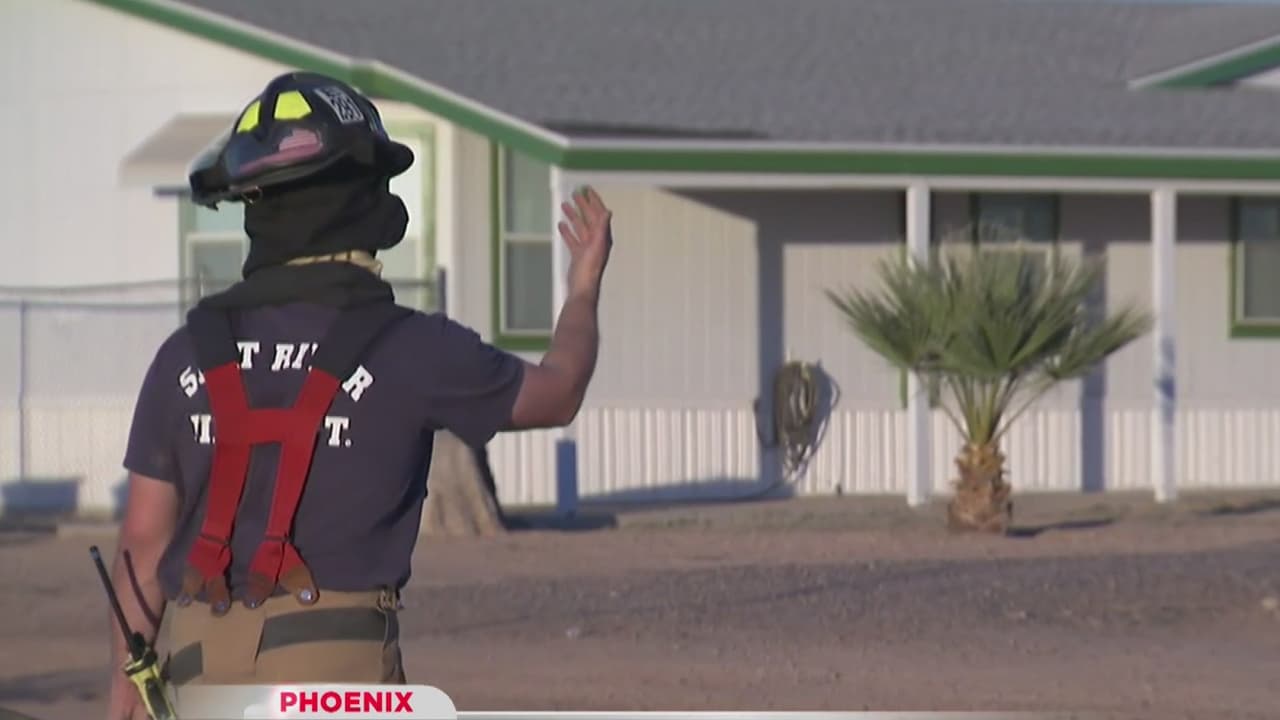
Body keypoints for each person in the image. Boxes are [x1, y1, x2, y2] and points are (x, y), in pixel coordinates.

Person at [105, 71, 612, 719]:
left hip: (194, 676)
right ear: (358, 197)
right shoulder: (413, 347)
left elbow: (143, 543)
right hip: (337, 680)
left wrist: (124, 692)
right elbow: (559, 392)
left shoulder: (185, 355)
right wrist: (583, 288)